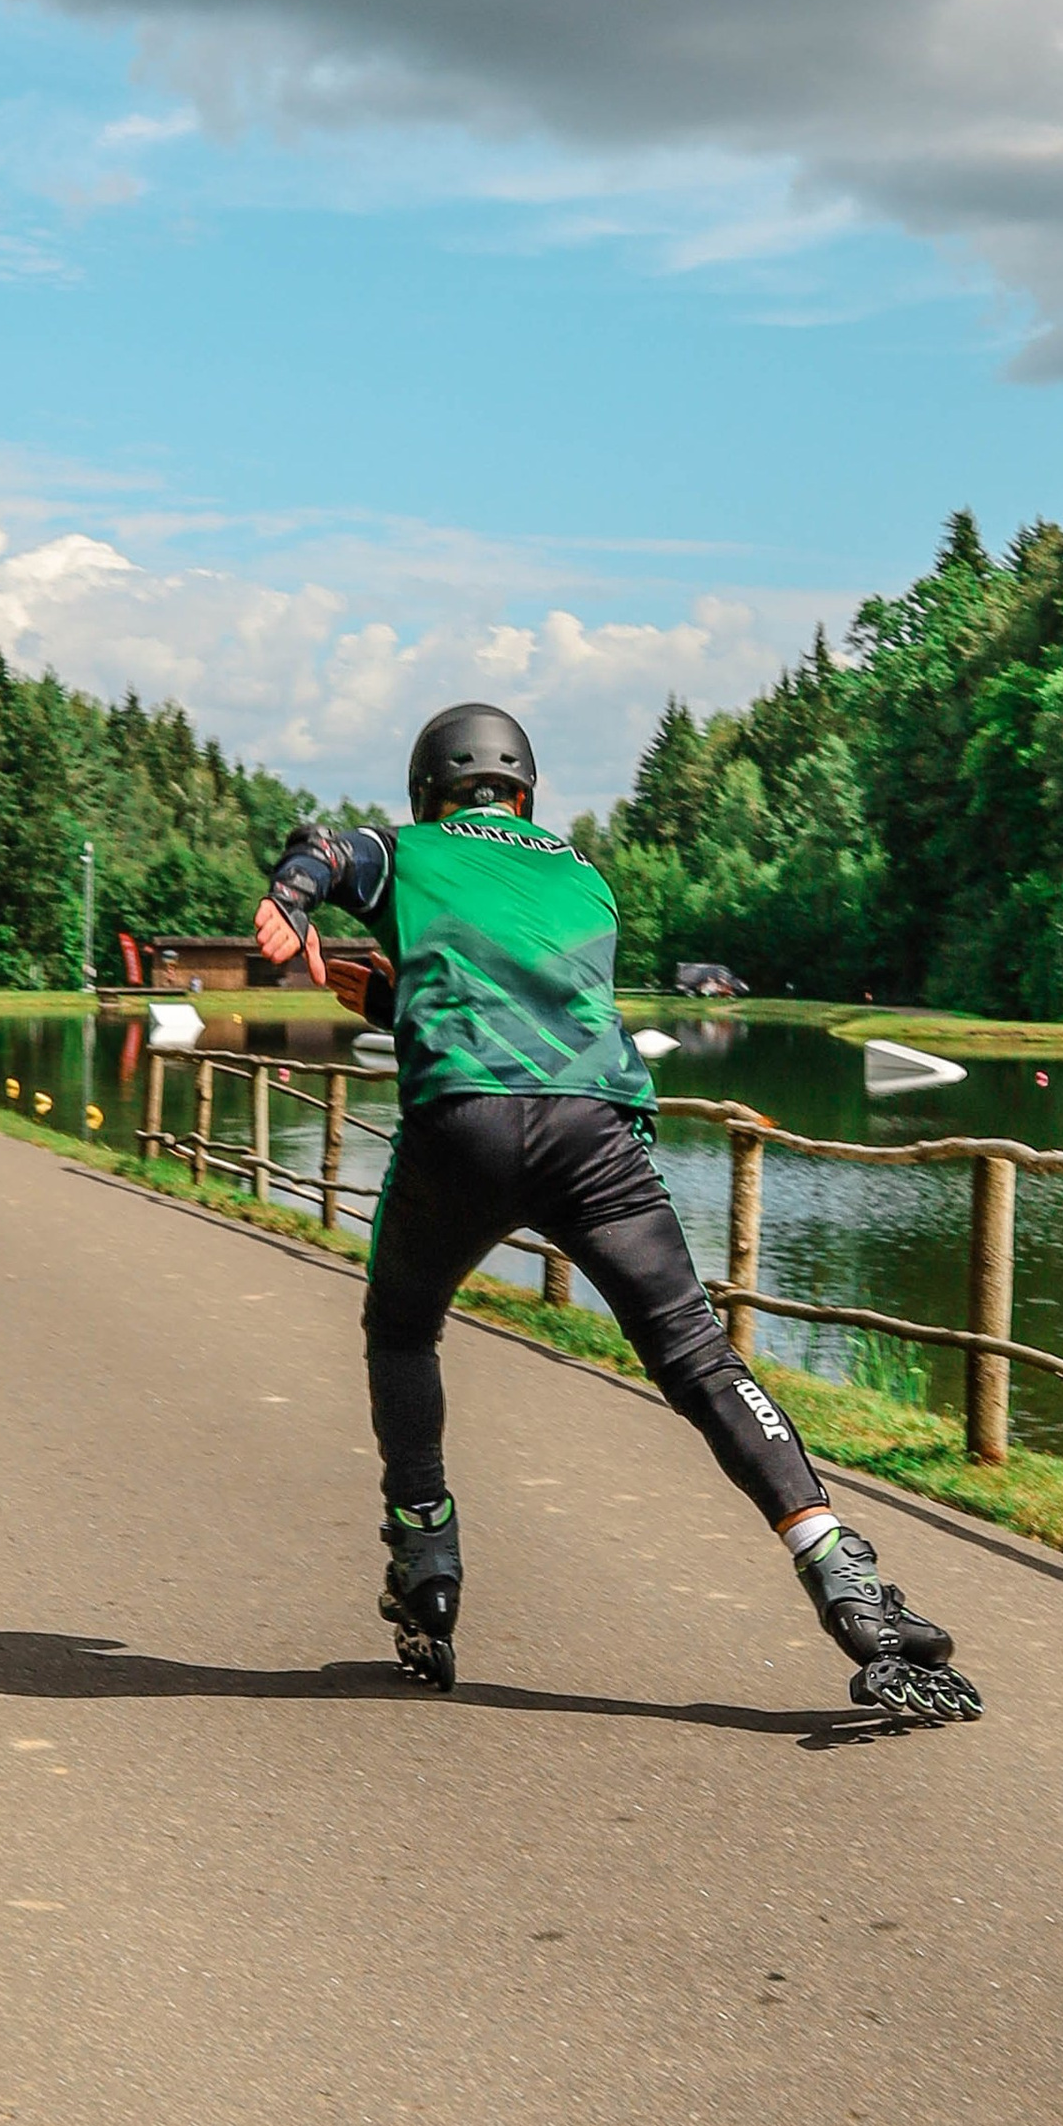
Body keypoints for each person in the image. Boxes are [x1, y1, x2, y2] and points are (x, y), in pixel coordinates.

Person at [253, 702, 980, 1730]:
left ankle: (424, 1553)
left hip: (464, 1127)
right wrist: (392, 998)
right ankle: (841, 1573)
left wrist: (292, 894)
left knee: (403, 1326)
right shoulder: (581, 876)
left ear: (427, 789)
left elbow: (326, 852)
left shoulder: (403, 849)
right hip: (593, 1131)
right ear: (525, 792)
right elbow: (528, 998)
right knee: (696, 1353)